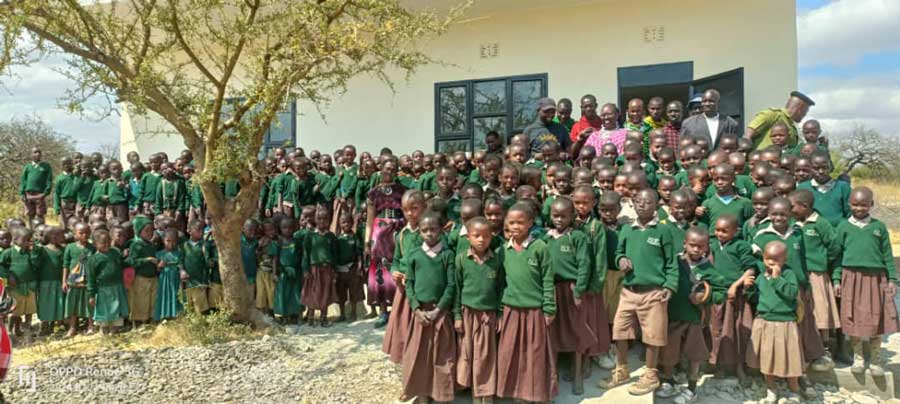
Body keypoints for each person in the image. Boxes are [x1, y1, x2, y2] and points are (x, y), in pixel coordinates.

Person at [602, 189, 677, 395]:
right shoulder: (627, 229)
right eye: (638, 201)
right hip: (628, 290)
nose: (642, 205)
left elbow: (672, 262)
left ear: (657, 206)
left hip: (654, 292)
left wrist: (670, 286)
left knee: (653, 335)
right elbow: (618, 253)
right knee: (619, 330)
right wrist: (620, 260)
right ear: (633, 204)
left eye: (648, 202)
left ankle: (651, 374)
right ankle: (622, 369)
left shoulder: (663, 231)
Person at [832, 186, 899, 376]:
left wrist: (892, 279)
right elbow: (837, 256)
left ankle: (876, 359)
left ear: (872, 204)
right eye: (855, 204)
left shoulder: (879, 227)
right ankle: (859, 357)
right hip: (850, 278)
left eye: (863, 205)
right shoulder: (843, 227)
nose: (859, 208)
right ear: (849, 204)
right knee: (852, 316)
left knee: (877, 317)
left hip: (876, 279)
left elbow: (887, 255)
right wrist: (837, 279)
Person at [496, 202, 557, 403]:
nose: (515, 227)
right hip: (512, 310)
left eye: (520, 223)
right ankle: (518, 392)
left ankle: (539, 393)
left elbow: (548, 280)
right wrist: (500, 309)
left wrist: (549, 308)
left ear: (530, 223)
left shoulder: (540, 248)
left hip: (535, 311)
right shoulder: (503, 250)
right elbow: (500, 282)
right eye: (511, 222)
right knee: (512, 353)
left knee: (536, 354)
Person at [656, 227, 717, 404]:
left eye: (701, 246)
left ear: (706, 247)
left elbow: (720, 291)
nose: (696, 249)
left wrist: (705, 296)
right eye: (692, 245)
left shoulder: (708, 267)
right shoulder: (675, 262)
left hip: (695, 319)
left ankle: (692, 388)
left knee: (694, 355)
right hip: (673, 315)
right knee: (669, 351)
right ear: (685, 244)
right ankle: (668, 381)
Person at [401, 211, 457, 403]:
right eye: (424, 230)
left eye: (433, 229)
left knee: (442, 355)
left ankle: (441, 394)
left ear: (441, 230)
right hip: (420, 314)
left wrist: (438, 310)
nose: (429, 234)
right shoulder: (415, 255)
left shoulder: (447, 255)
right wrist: (416, 309)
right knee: (419, 355)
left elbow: (451, 285)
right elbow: (409, 284)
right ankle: (422, 393)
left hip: (440, 313)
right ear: (420, 233)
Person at [544, 196, 596, 394]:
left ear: (572, 216)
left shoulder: (577, 237)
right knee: (553, 331)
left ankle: (577, 374)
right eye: (555, 216)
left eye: (563, 216)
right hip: (552, 289)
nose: (559, 220)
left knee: (576, 330)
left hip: (572, 289)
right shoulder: (545, 238)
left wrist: (580, 289)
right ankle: (553, 374)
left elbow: (585, 264)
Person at [746, 240, 804, 403]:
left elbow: (792, 293)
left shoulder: (788, 274)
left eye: (776, 259)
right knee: (766, 357)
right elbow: (755, 298)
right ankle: (771, 389)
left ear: (784, 260)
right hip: (765, 321)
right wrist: (749, 288)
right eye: (767, 258)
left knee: (791, 358)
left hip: (785, 322)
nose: (771, 262)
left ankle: (794, 391)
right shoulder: (761, 276)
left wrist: (778, 278)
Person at [454, 217, 504, 402]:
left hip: (488, 316)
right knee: (469, 354)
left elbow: (500, 289)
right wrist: (457, 316)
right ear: (468, 237)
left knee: (487, 355)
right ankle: (475, 394)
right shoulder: (461, 260)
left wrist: (499, 313)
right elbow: (457, 290)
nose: (481, 240)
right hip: (468, 314)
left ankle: (487, 394)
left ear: (492, 237)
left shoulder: (496, 261)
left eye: (486, 236)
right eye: (476, 236)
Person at [789, 189, 841, 361]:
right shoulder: (793, 223)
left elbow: (834, 246)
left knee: (820, 310)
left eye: (792, 206)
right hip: (799, 273)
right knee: (802, 310)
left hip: (816, 274)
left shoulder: (821, 223)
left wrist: (823, 261)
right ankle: (803, 347)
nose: (790, 209)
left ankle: (823, 348)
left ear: (804, 206)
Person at [382, 190, 426, 367]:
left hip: (423, 290)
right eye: (406, 209)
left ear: (424, 207)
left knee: (420, 333)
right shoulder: (401, 235)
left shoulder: (429, 233)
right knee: (404, 329)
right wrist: (394, 272)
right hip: (404, 292)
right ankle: (406, 367)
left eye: (415, 209)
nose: (410, 214)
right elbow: (397, 261)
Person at [365, 158, 408, 328]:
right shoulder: (373, 193)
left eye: (392, 169)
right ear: (380, 169)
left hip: (398, 231)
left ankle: (398, 310)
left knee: (398, 269)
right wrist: (367, 242)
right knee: (380, 271)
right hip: (379, 232)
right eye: (386, 168)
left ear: (397, 171)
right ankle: (383, 311)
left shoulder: (403, 190)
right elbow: (369, 219)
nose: (388, 172)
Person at [86, 229, 129, 335]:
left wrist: (128, 258)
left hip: (117, 287)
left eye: (108, 242)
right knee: (103, 310)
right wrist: (92, 294)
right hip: (103, 289)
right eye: (103, 243)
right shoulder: (93, 259)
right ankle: (104, 331)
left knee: (117, 308)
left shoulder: (115, 252)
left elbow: (121, 264)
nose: (106, 245)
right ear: (95, 244)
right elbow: (91, 278)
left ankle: (114, 331)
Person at [0, 227, 41, 336]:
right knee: (15, 309)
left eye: (29, 240)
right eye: (25, 240)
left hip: (30, 285)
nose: (28, 243)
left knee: (29, 309)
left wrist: (34, 252)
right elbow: (1, 266)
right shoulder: (8, 253)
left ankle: (27, 328)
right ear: (15, 240)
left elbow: (36, 265)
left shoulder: (30, 252)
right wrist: (9, 275)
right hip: (16, 287)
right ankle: (12, 330)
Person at [301, 207, 338, 327]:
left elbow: (334, 254)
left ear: (329, 220)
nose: (322, 221)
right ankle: (311, 318)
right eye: (319, 219)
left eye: (325, 219)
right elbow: (305, 253)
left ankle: (323, 318)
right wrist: (306, 269)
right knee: (313, 292)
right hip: (314, 269)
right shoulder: (310, 236)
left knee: (325, 293)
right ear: (315, 220)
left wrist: (335, 270)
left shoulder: (331, 236)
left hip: (327, 269)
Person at [744, 91, 815, 150]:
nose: (804, 115)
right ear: (800, 108)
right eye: (805, 111)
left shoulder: (793, 128)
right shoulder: (772, 115)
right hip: (763, 163)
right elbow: (748, 134)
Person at [797, 151, 850, 227]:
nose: (821, 171)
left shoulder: (843, 187)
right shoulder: (803, 188)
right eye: (816, 168)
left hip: (838, 233)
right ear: (810, 168)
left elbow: (849, 214)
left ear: (830, 166)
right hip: (811, 234)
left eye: (825, 167)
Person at [63, 223, 95, 336]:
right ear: (75, 234)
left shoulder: (92, 248)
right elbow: (65, 265)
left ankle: (90, 326)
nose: (84, 235)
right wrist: (64, 281)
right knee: (73, 305)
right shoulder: (70, 247)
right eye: (81, 233)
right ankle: (72, 327)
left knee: (89, 305)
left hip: (88, 282)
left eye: (87, 233)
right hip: (73, 282)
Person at [335, 213, 364, 322]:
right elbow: (335, 254)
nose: (346, 224)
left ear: (352, 223)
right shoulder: (338, 238)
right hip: (340, 271)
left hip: (352, 269)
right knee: (341, 293)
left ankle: (353, 313)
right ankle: (342, 314)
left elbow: (358, 252)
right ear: (340, 223)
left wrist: (360, 265)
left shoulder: (354, 237)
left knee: (353, 292)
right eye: (343, 222)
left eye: (348, 222)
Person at [38, 227, 66, 335]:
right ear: (53, 237)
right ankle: (44, 325)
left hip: (58, 281)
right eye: (61, 236)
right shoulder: (43, 250)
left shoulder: (63, 250)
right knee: (45, 303)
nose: (64, 237)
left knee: (57, 303)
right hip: (46, 282)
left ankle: (53, 325)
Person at [273, 217, 302, 323]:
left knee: (295, 294)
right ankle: (283, 316)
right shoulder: (279, 242)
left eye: (290, 227)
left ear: (294, 228)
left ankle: (295, 315)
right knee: (283, 294)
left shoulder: (297, 242)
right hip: (283, 272)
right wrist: (275, 273)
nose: (288, 230)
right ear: (280, 228)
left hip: (295, 272)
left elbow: (300, 256)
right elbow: (275, 258)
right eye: (284, 227)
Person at [154, 229, 184, 321]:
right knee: (165, 295)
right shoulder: (159, 254)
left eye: (174, 241)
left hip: (176, 277)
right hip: (165, 279)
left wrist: (182, 271)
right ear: (163, 240)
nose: (171, 244)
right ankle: (165, 314)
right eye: (168, 241)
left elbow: (181, 265)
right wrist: (159, 266)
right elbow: (157, 270)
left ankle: (177, 314)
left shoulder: (179, 253)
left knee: (176, 295)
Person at [182, 220, 211, 315]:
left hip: (200, 281)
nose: (201, 232)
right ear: (189, 231)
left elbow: (207, 263)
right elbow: (180, 260)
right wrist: (181, 271)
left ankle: (199, 324)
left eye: (202, 229)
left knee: (200, 307)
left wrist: (205, 252)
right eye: (198, 229)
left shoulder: (204, 245)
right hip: (188, 281)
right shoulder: (185, 245)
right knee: (188, 306)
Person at [20, 147, 53, 227]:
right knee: (30, 214)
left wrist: (45, 193)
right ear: (31, 154)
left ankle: (41, 233)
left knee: (40, 214)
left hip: (40, 194)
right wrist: (22, 193)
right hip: (28, 194)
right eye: (35, 152)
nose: (37, 154)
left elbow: (49, 180)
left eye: (39, 152)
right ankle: (32, 232)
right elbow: (23, 181)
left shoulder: (46, 166)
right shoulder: (27, 167)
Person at [53, 157, 79, 231]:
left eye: (69, 163)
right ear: (62, 165)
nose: (67, 165)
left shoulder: (76, 176)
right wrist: (57, 207)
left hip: (75, 202)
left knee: (75, 222)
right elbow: (57, 193)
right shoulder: (60, 178)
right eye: (64, 164)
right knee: (63, 224)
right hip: (64, 202)